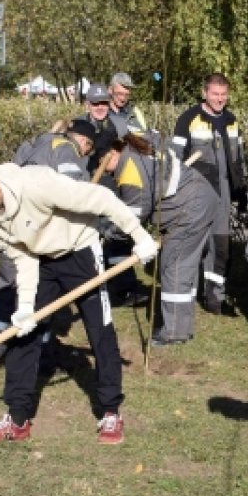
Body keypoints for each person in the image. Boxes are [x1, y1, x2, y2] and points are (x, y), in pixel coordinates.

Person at [0, 153, 157, 446]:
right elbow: (20, 253)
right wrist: (27, 307)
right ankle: (17, 417)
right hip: (41, 260)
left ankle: (110, 409)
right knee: (23, 334)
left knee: (99, 329)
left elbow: (102, 198)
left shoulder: (36, 184)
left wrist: (140, 236)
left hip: (80, 250)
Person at [0, 118, 97, 369]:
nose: (86, 155)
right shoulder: (67, 151)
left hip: (10, 226)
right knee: (41, 294)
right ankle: (40, 353)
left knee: (8, 287)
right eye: (88, 150)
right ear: (84, 141)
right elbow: (74, 193)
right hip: (39, 232)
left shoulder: (34, 143)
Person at [103, 132, 216, 346]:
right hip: (200, 197)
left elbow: (133, 217)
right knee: (184, 267)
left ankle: (174, 333)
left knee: (174, 267)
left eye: (101, 162)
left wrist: (109, 233)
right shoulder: (139, 142)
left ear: (112, 153)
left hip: (188, 210)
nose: (103, 170)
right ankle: (183, 324)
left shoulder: (130, 171)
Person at [170, 73, 246, 316]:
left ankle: (215, 299)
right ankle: (186, 294)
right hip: (196, 193)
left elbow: (239, 158)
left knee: (221, 246)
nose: (219, 99)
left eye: (224, 95)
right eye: (215, 94)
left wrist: (241, 190)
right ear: (205, 93)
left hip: (224, 194)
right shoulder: (188, 119)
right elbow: (175, 158)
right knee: (194, 245)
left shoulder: (232, 121)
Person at [85, 82, 144, 305]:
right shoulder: (81, 126)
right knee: (90, 239)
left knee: (118, 236)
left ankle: (126, 289)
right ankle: (89, 287)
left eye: (103, 103)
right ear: (87, 104)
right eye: (95, 103)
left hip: (114, 186)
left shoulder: (118, 125)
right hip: (89, 188)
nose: (100, 107)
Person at [107, 72, 148, 139]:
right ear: (110, 90)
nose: (123, 98)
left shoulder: (135, 112)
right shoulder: (100, 111)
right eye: (119, 93)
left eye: (127, 95)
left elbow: (144, 137)